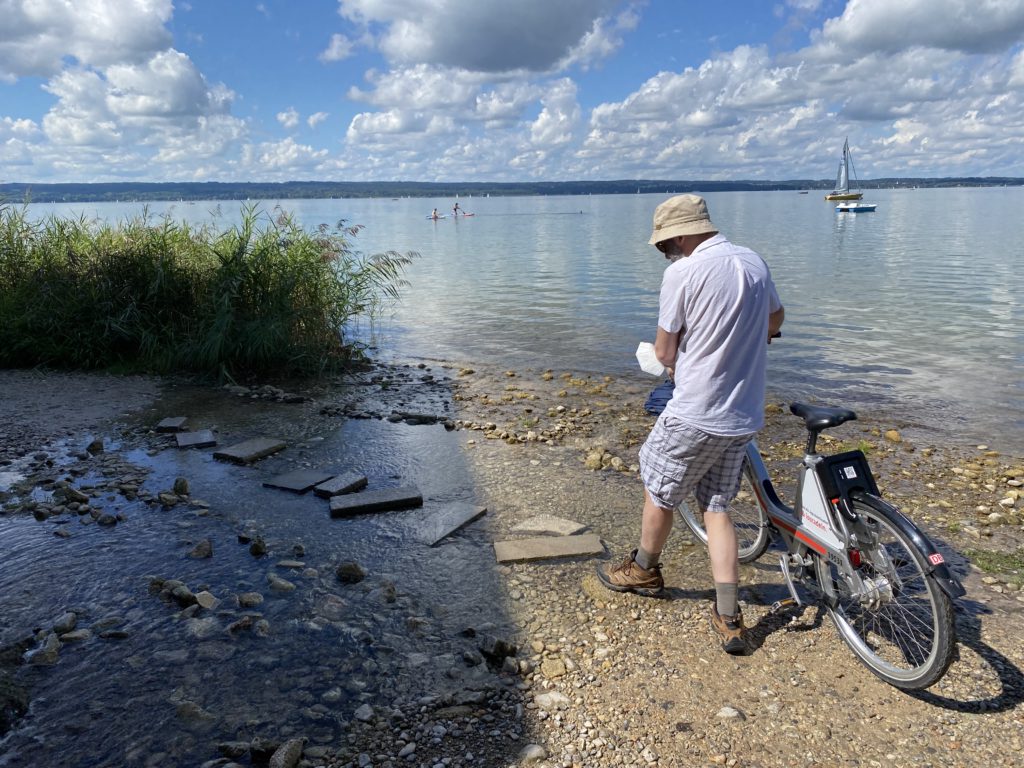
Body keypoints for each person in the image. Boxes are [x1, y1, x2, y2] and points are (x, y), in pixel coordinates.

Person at [597, 194, 784, 655]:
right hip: (742, 414)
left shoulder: (682, 272)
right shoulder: (753, 262)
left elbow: (664, 353)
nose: (667, 252)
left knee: (658, 487)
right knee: (716, 507)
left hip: (696, 411)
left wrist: (686, 359)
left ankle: (644, 568)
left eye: (666, 244)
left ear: (680, 235)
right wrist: (735, 344)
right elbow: (775, 321)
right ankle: (729, 616)